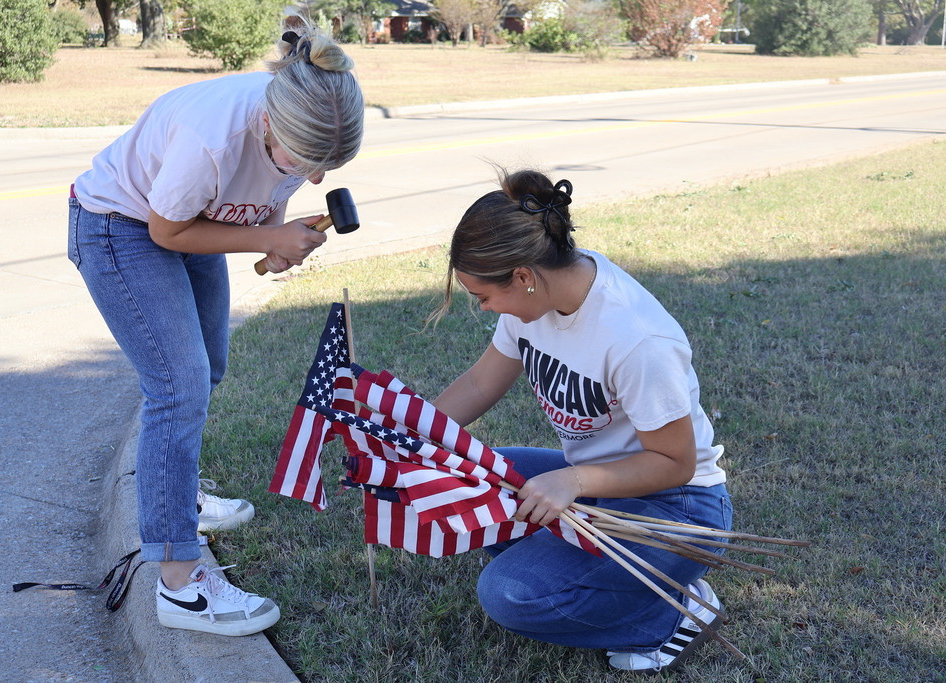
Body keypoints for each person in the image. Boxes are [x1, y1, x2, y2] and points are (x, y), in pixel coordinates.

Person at [67, 15, 365, 637]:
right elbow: (164, 231)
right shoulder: (212, 137)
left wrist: (277, 240)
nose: (315, 177)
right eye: (307, 160)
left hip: (184, 219)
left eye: (326, 167)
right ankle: (180, 588)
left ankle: (177, 493)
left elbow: (270, 188)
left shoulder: (296, 121)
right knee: (178, 386)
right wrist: (267, 234)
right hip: (121, 226)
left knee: (210, 364)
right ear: (267, 123)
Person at [430, 169, 732, 673]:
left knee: (508, 594)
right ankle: (627, 579)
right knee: (466, 478)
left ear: (523, 276)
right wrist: (411, 434)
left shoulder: (636, 338)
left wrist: (572, 479)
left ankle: (672, 614)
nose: (481, 306)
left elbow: (676, 463)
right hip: (602, 489)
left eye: (482, 296)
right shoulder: (534, 299)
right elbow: (482, 383)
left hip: (679, 509)